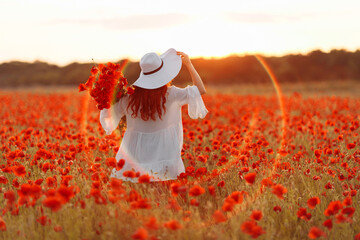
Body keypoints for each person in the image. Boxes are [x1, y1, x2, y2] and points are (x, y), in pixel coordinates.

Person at [99, 48, 208, 182]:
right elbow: (200, 90)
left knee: (140, 198)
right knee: (162, 197)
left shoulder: (129, 98)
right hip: (165, 152)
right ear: (163, 73)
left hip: (136, 154)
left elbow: (106, 113)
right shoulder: (172, 94)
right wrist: (189, 64)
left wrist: (109, 92)